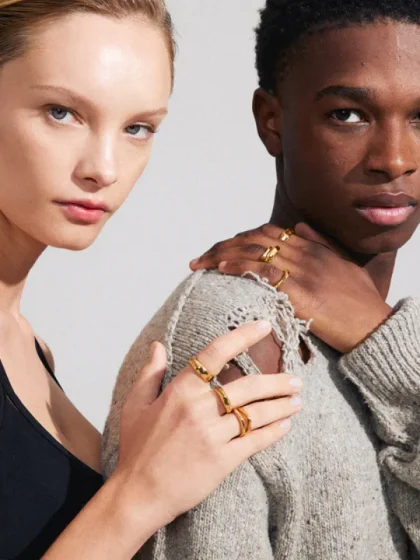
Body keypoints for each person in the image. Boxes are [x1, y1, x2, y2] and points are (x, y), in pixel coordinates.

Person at [103, 0, 420, 558]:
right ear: (271, 120)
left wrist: (384, 345)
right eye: (348, 114)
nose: (394, 159)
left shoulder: (398, 341)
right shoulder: (239, 338)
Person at [0, 1, 303, 558]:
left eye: (137, 128)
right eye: (61, 112)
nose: (104, 168)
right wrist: (140, 491)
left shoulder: (26, 343)